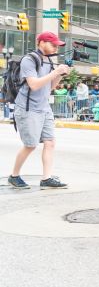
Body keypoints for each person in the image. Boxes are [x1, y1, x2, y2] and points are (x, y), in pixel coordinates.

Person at [7, 32, 69, 190]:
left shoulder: (49, 60)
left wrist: (60, 75)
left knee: (50, 143)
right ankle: (14, 176)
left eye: (57, 45)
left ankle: (46, 178)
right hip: (28, 108)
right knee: (30, 145)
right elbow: (34, 84)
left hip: (44, 107)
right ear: (41, 42)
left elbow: (50, 87)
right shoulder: (30, 59)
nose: (56, 47)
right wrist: (55, 72)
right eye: (53, 44)